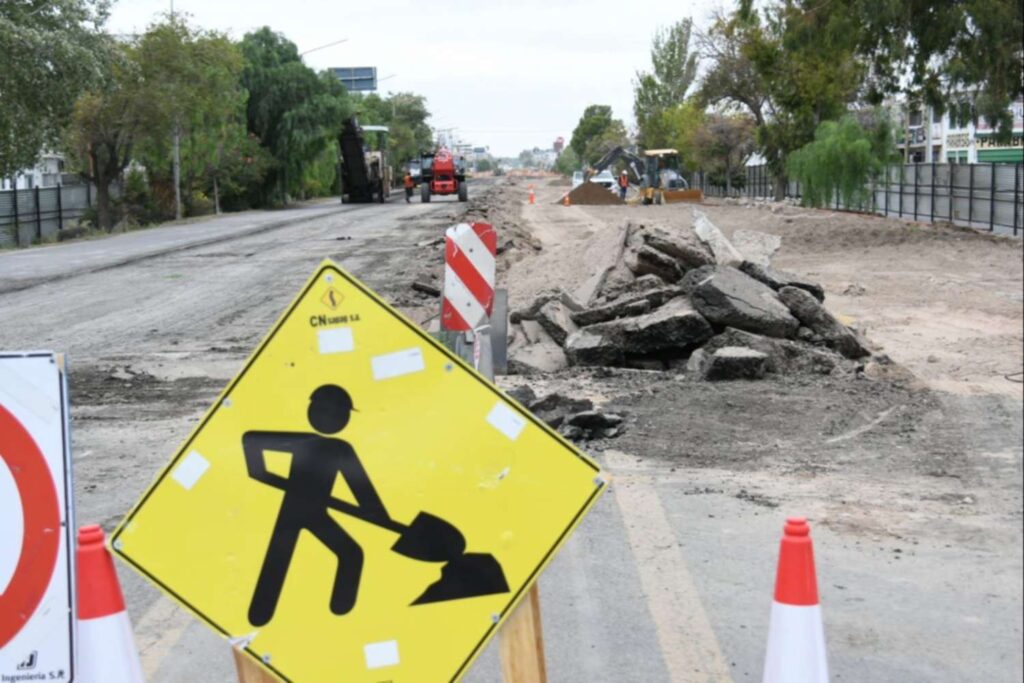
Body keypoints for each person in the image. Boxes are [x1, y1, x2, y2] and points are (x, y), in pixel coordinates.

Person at [243, 385, 387, 626]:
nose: (331, 417)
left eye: (337, 412)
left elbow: (362, 490)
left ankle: (341, 616)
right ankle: (258, 618)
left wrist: (377, 514)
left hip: (316, 512)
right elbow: (251, 441)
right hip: (291, 512)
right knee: (277, 559)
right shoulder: (303, 442)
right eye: (325, 410)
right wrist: (268, 477)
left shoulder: (341, 449)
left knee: (351, 553)